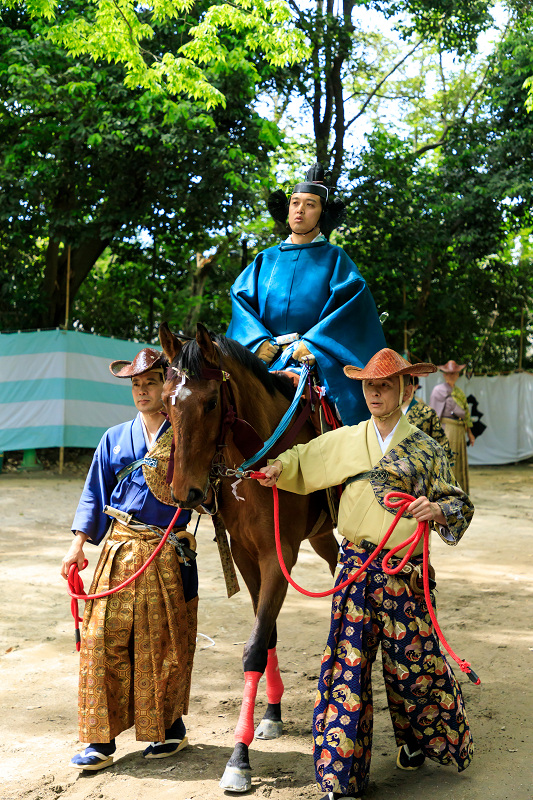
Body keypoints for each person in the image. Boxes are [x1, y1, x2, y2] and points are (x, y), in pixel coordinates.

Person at [258, 348, 474, 799]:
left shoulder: (426, 449)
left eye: (385, 385)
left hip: (405, 572)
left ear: (404, 389)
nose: (375, 392)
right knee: (346, 668)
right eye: (369, 385)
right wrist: (280, 468)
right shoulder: (347, 439)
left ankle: (419, 741)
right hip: (355, 570)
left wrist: (435, 508)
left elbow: (460, 504)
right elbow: (304, 459)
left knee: (414, 667)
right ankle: (342, 774)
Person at [60, 348, 198, 771]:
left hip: (166, 552)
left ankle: (168, 729)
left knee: (163, 645)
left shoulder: (186, 435)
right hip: (118, 551)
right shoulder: (114, 437)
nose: (141, 391)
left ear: (166, 387)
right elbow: (93, 493)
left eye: (150, 383)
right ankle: (99, 741)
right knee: (101, 642)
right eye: (136, 385)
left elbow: (205, 489)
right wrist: (78, 543)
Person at [227, 163, 386, 425]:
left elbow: (352, 307)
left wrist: (313, 344)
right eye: (295, 203)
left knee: (342, 420)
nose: (300, 210)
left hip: (314, 363)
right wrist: (256, 342)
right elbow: (241, 302)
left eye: (310, 204)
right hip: (265, 358)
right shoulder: (264, 260)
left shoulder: (336, 258)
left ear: (322, 213)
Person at [429, 360, 475, 493]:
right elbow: (434, 414)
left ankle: (460, 489)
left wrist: (470, 434)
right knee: (449, 459)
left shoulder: (459, 392)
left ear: (458, 374)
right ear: (444, 375)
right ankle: (447, 490)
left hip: (460, 429)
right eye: (448, 373)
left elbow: (466, 414)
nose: (451, 376)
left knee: (459, 459)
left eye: (454, 373)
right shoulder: (438, 390)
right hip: (447, 428)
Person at [403, 375, 454, 465]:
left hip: (418, 466)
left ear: (414, 387)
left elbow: (440, 441)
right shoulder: (386, 413)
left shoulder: (426, 412)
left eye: (407, 384)